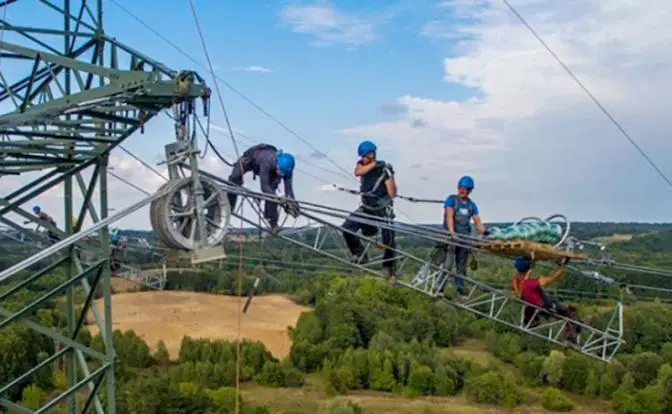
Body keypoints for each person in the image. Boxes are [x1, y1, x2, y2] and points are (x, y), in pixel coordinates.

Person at [342, 140, 398, 284]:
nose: (361, 159)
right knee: (347, 227)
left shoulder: (383, 170)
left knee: (389, 239)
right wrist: (374, 164)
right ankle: (360, 253)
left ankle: (389, 268)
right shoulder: (363, 165)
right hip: (367, 208)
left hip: (381, 209)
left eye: (364, 156)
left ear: (371, 154)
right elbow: (358, 172)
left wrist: (390, 175)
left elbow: (392, 193)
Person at [431, 176, 485, 296]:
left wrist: (484, 232)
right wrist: (452, 232)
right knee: (448, 265)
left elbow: (477, 221)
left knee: (461, 265)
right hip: (451, 238)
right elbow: (449, 216)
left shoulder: (471, 205)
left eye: (465, 189)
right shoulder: (452, 200)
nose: (462, 190)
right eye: (461, 188)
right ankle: (439, 287)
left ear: (470, 190)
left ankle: (459, 287)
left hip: (464, 238)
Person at [227, 144, 299, 233]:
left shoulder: (287, 170)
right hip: (251, 159)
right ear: (276, 162)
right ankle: (228, 207)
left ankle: (272, 222)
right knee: (234, 178)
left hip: (270, 170)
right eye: (279, 171)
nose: (280, 174)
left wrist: (293, 204)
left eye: (282, 174)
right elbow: (264, 187)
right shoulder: (268, 162)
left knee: (273, 193)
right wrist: (280, 199)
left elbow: (289, 190)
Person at [512, 256, 582, 343]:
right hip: (546, 305)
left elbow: (522, 291)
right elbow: (553, 278)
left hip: (533, 307)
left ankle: (531, 321)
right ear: (528, 268)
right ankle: (571, 337)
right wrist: (562, 266)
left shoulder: (516, 281)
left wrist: (531, 265)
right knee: (571, 311)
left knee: (565, 310)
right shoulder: (533, 283)